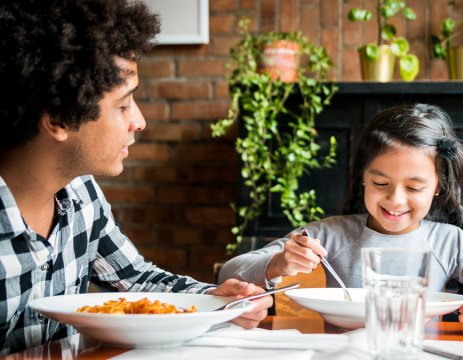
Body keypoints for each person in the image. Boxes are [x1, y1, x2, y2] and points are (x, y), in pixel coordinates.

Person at [0, 0, 271, 355]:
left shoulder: (82, 195)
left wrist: (212, 298)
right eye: (124, 105)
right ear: (59, 119)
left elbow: (136, 279)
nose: (139, 121)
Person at [219, 103, 463, 336]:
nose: (395, 199)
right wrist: (278, 263)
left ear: (438, 187)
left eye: (414, 187)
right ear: (362, 178)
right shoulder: (331, 234)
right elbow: (229, 271)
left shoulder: (449, 243)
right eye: (380, 183)